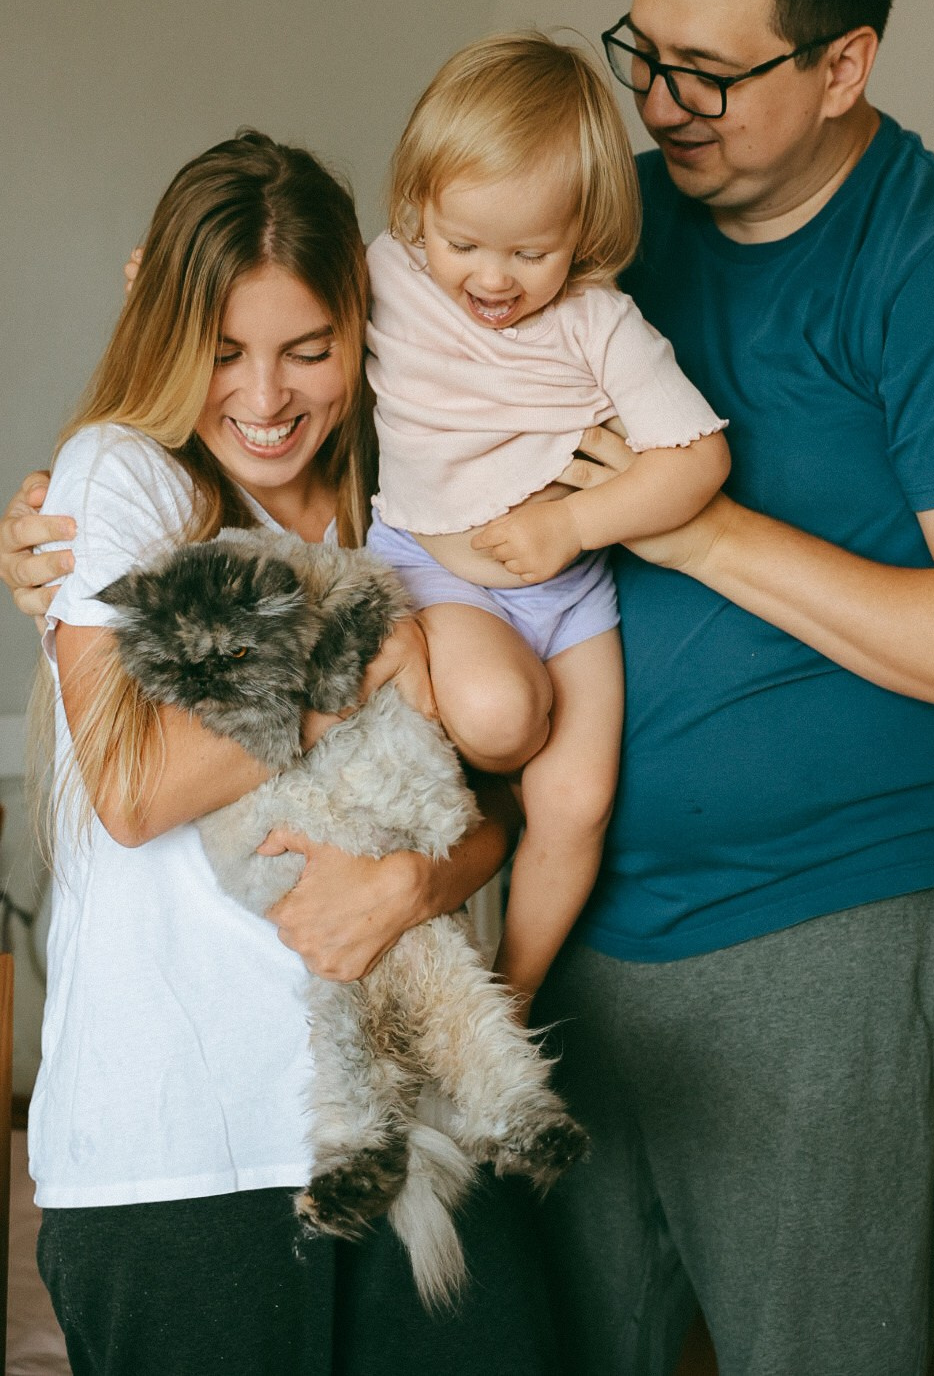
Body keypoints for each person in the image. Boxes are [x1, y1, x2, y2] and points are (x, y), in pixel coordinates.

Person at [6, 0, 934, 1376]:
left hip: (815, 934)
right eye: (645, 50)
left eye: (709, 73)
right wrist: (69, 517)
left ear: (842, 65)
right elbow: (264, 333)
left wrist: (690, 529)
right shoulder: (573, 226)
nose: (660, 103)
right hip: (566, 946)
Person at [14, 130, 558, 1376]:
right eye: (223, 354)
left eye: (307, 351)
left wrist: (423, 885)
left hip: (410, 1125)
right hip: (184, 1161)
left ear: (361, 329)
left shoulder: (399, 500)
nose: (264, 400)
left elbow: (497, 803)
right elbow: (135, 789)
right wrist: (363, 655)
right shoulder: (125, 471)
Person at [364, 32, 729, 1016]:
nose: (493, 278)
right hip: (437, 569)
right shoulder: (390, 276)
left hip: (571, 595)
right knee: (498, 715)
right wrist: (168, 282)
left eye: (531, 251)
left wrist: (577, 530)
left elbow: (697, 458)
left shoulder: (597, 322)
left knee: (579, 804)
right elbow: (270, 306)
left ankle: (508, 1002)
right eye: (465, 244)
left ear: (583, 229)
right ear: (417, 212)